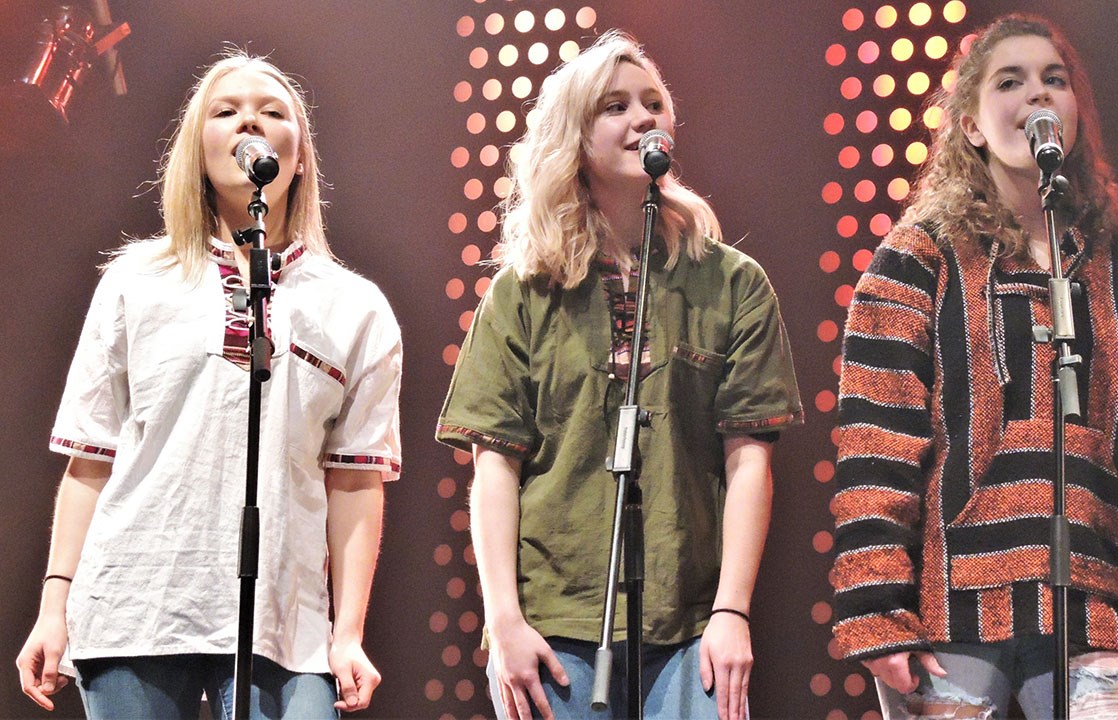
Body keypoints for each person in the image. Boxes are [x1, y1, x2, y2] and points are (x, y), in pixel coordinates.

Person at [830, 14, 1118, 720]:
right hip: (949, 614)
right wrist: (876, 606)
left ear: (1075, 114)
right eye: (1009, 82)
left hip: (1098, 608)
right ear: (972, 125)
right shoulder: (917, 259)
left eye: (1054, 79)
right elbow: (876, 444)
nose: (1037, 94)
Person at [14, 52, 402, 719]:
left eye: (272, 111)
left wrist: (348, 634)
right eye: (226, 112)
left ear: (299, 158)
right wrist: (54, 606)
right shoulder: (136, 281)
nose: (250, 120)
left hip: (286, 624)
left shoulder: (355, 307)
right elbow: (91, 460)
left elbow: (355, 480)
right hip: (134, 607)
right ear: (197, 151)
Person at [437, 30, 803, 720]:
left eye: (653, 103)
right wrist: (504, 621)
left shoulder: (733, 282)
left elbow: (749, 459)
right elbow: (495, 467)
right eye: (615, 106)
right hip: (554, 621)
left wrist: (732, 612)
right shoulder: (523, 292)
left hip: (691, 621)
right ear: (575, 137)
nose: (643, 118)